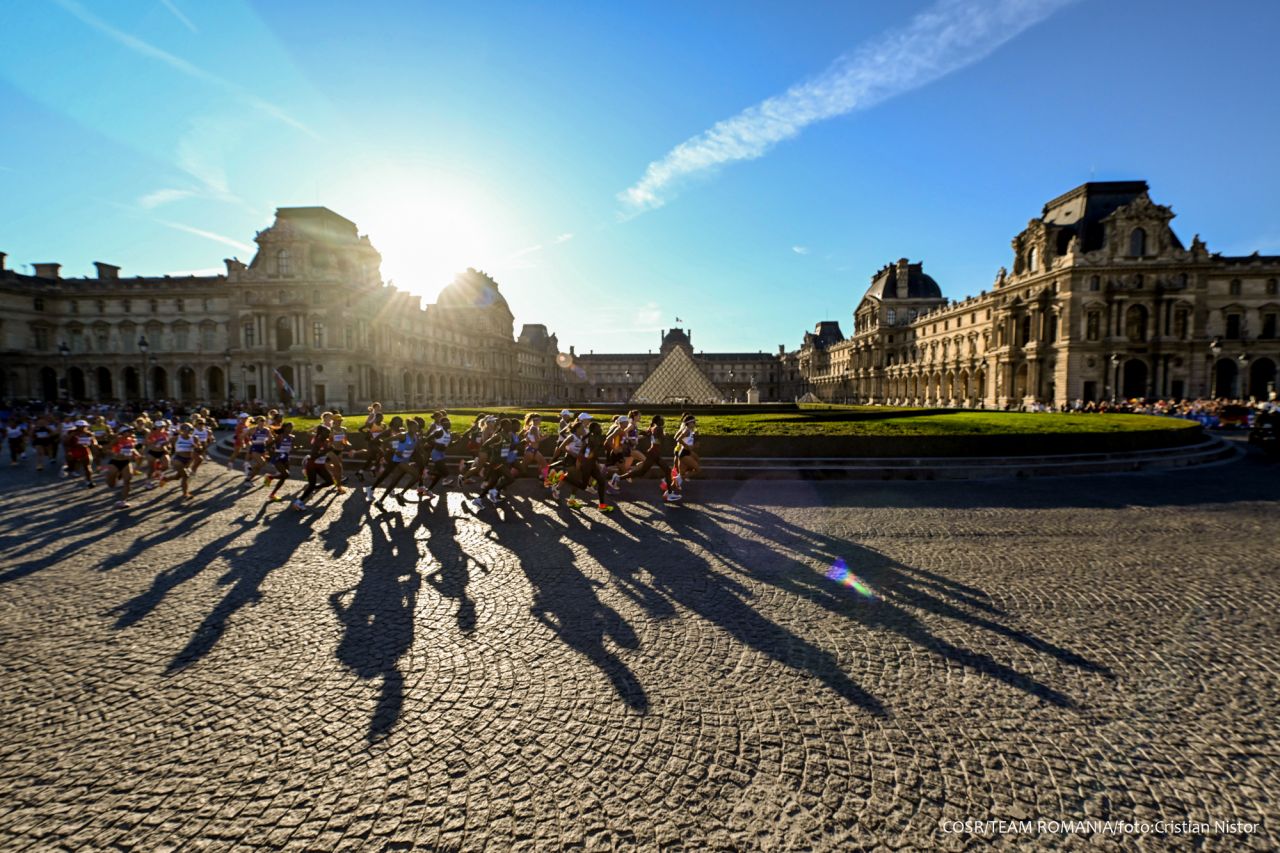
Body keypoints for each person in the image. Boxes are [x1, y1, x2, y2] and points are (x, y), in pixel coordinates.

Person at [104, 426, 141, 508]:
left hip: (126, 462)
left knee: (127, 481)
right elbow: (107, 449)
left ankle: (123, 501)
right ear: (123, 432)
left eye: (132, 431)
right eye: (129, 431)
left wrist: (137, 454)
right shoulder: (117, 439)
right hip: (115, 462)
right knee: (111, 484)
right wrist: (115, 453)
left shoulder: (132, 439)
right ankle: (111, 477)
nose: (131, 432)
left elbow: (132, 449)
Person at [263, 422, 296, 501]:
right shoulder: (279, 437)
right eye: (288, 427)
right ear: (284, 428)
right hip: (278, 458)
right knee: (285, 474)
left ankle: (272, 493)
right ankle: (270, 477)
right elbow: (268, 446)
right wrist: (271, 453)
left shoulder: (292, 437)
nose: (290, 429)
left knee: (285, 476)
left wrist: (295, 448)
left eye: (291, 428)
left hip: (286, 457)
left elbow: (291, 447)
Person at [166, 422, 199, 499]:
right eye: (187, 429)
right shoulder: (176, 438)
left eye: (191, 429)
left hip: (188, 460)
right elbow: (166, 444)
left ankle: (165, 479)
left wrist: (196, 447)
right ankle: (185, 494)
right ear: (182, 430)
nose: (189, 431)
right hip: (178, 459)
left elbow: (199, 448)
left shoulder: (194, 438)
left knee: (177, 477)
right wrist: (168, 448)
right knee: (185, 476)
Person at [63, 420, 97, 488]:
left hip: (85, 450)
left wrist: (95, 444)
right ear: (77, 427)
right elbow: (65, 442)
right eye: (80, 427)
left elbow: (94, 441)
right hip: (74, 450)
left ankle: (89, 481)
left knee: (87, 467)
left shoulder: (88, 433)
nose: (82, 428)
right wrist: (71, 436)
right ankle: (71, 468)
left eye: (84, 426)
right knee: (71, 460)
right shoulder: (71, 432)